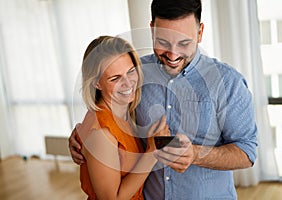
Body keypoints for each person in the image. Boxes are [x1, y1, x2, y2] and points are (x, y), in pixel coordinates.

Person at [69, 0, 258, 199]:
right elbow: (108, 115)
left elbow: (246, 152)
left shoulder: (228, 82)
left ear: (200, 33)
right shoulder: (136, 73)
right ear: (152, 30)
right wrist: (80, 138)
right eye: (163, 42)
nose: (173, 54)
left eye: (184, 43)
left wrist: (196, 154)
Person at [76, 35, 170, 200]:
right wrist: (152, 152)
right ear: (96, 83)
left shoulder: (126, 112)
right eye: (115, 78)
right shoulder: (101, 133)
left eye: (131, 71)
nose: (128, 83)